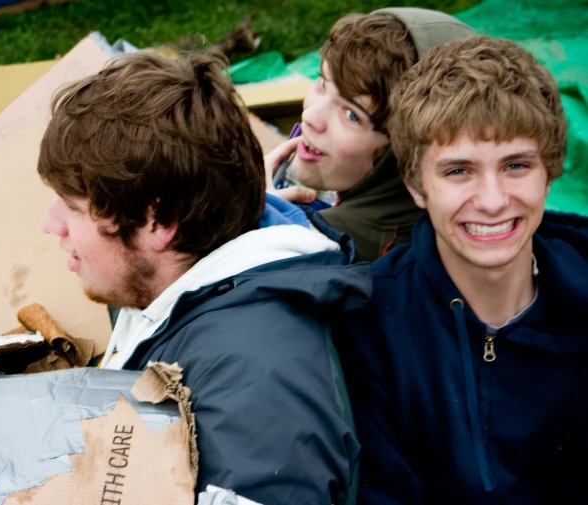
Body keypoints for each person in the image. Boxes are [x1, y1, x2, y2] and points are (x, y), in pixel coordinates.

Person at [37, 51, 371, 505]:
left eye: (74, 207)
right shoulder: (176, 279)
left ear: (160, 221)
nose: (50, 223)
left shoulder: (256, 406)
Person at [341, 35, 588, 504]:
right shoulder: (369, 329)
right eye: (459, 171)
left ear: (550, 172)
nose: (493, 201)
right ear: (416, 185)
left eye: (516, 165)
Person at [265, 8, 474, 262]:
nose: (310, 117)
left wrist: (263, 215)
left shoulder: (319, 245)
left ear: (402, 151)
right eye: (322, 83)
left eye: (352, 114)